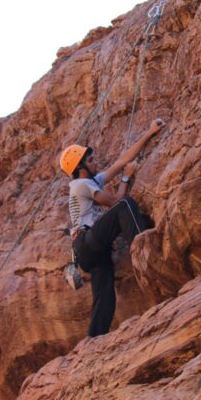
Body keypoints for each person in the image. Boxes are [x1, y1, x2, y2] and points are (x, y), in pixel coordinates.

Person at [59, 118, 165, 336]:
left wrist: (149, 132)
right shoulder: (82, 185)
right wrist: (126, 177)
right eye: (91, 159)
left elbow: (121, 161)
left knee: (104, 295)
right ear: (80, 167)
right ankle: (145, 253)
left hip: (90, 252)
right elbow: (116, 202)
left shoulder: (90, 181)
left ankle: (95, 338)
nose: (95, 161)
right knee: (127, 205)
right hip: (88, 242)